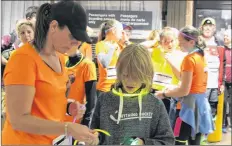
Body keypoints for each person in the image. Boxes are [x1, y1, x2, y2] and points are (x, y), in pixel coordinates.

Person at [2, 1, 98, 145]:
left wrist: (68, 106)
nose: (76, 43)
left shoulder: (59, 57)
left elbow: (48, 100)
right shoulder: (23, 60)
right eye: (72, 36)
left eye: (79, 40)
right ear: (53, 26)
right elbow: (19, 120)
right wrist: (68, 128)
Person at [90, 44, 175, 145]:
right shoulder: (104, 99)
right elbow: (96, 131)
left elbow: (167, 141)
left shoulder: (155, 103)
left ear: (147, 74)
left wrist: (143, 143)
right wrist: (94, 138)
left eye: (136, 77)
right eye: (125, 75)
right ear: (119, 71)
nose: (130, 82)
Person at [155, 26, 214, 145]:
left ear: (191, 42)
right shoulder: (201, 56)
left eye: (181, 42)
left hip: (188, 107)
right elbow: (188, 82)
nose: (178, 44)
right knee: (194, 140)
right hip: (200, 103)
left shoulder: (189, 59)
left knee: (178, 139)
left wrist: (163, 94)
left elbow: (184, 91)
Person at [64, 43, 97, 127]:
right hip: (58, 118)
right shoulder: (61, 61)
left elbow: (92, 100)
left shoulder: (87, 65)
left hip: (75, 120)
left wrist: (86, 122)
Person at [95, 19, 123, 95]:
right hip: (104, 89)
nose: (122, 34)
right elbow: (105, 64)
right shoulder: (100, 45)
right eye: (120, 31)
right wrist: (112, 48)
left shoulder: (118, 46)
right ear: (114, 30)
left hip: (117, 89)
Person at [222, 29, 232, 132]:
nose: (225, 38)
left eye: (227, 36)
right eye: (224, 36)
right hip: (224, 82)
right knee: (224, 103)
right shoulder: (221, 49)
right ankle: (223, 124)